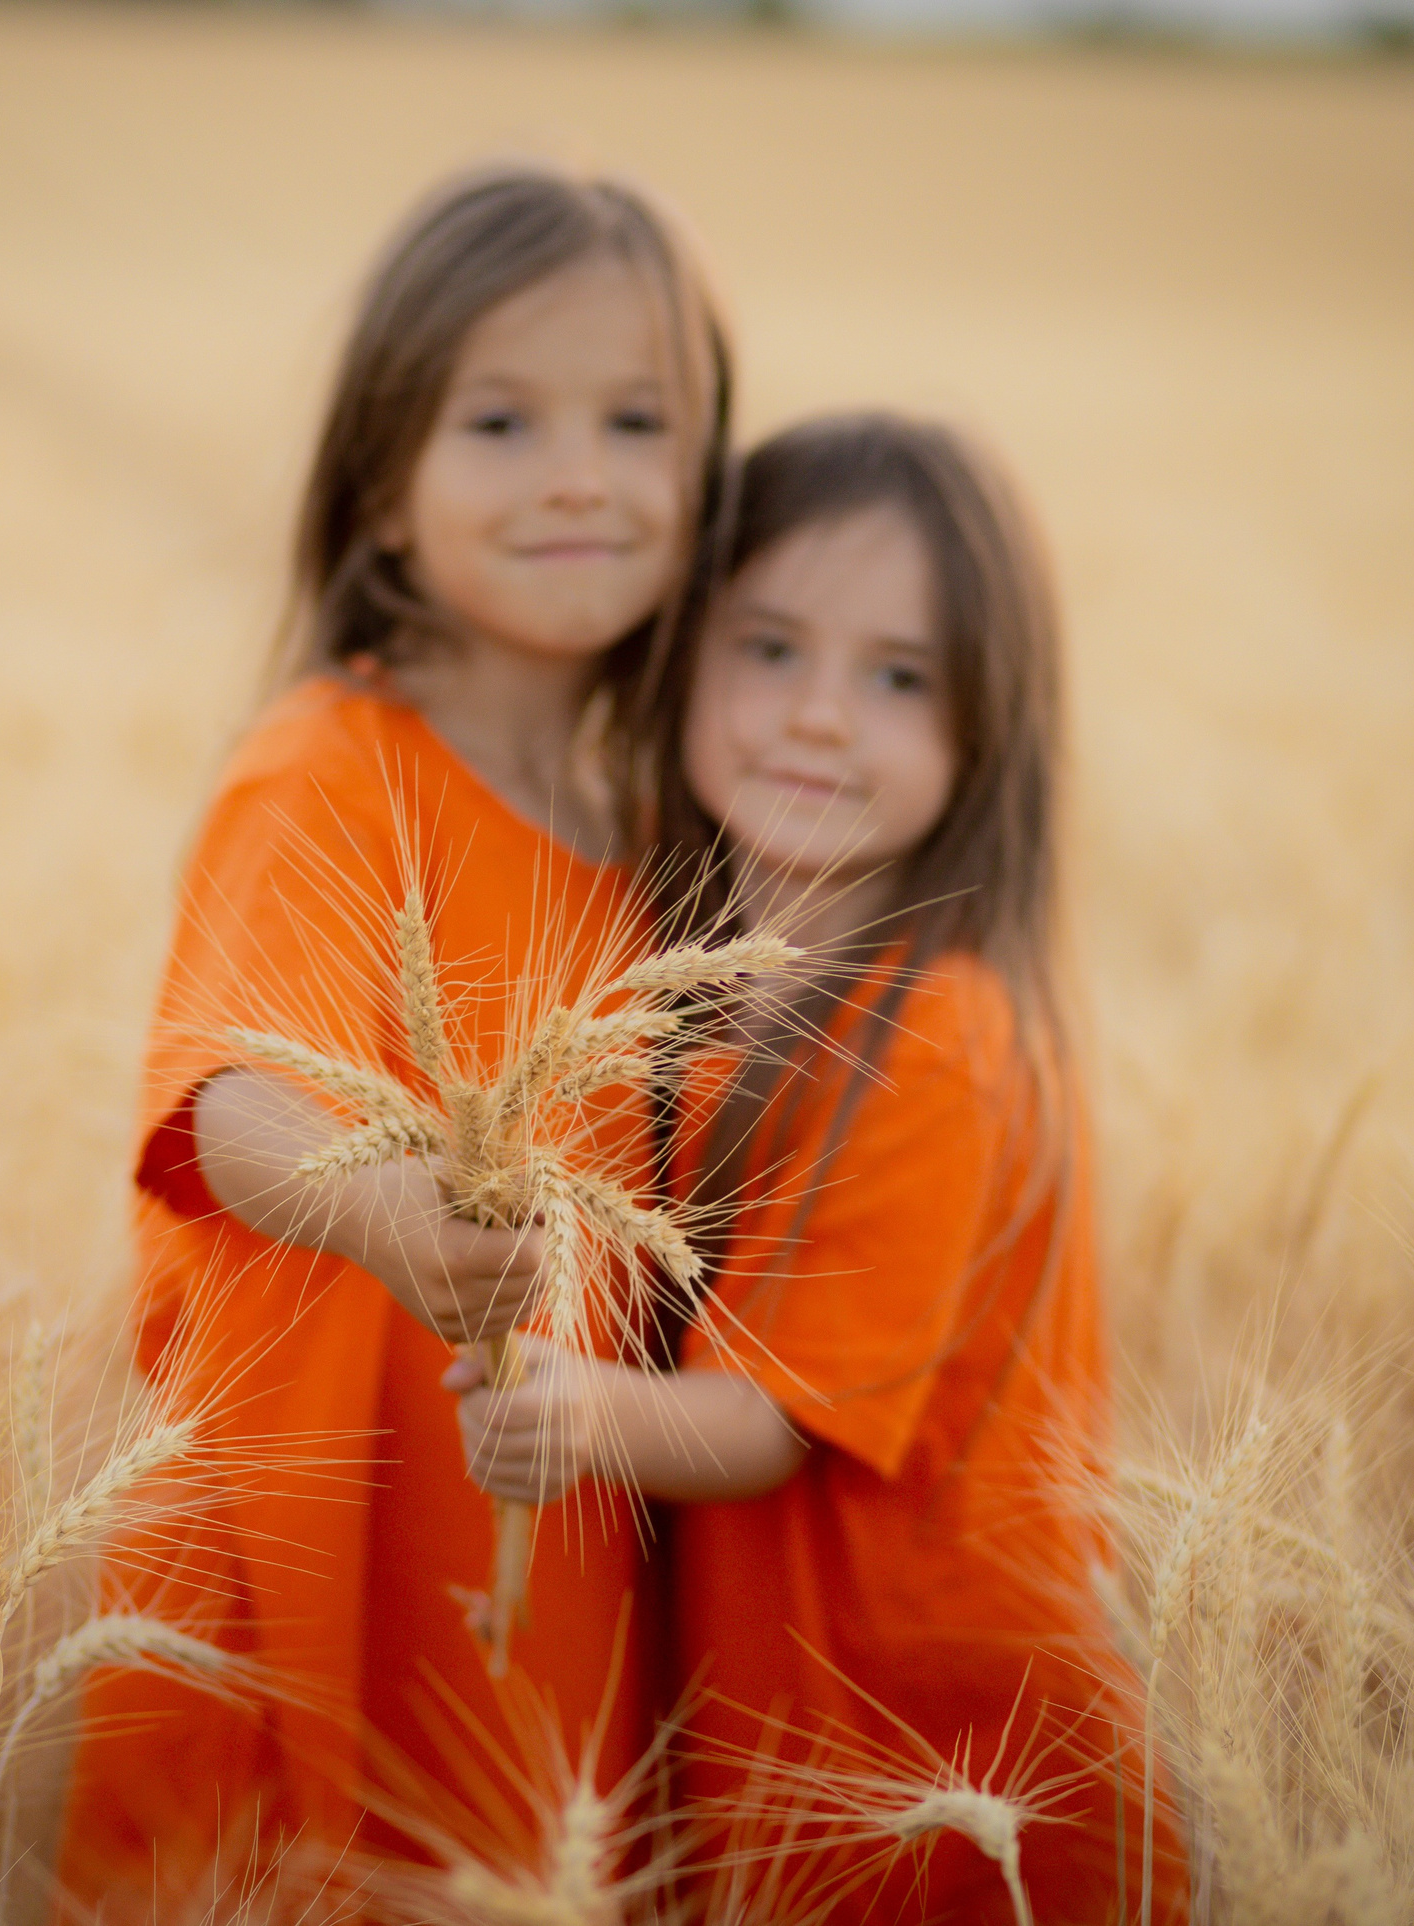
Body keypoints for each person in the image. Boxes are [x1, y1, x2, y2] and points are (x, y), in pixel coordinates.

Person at [54, 164, 733, 1915]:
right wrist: (386, 1218)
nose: (580, 473)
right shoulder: (332, 767)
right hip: (313, 1582)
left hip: (539, 1598)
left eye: (638, 420)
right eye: (501, 420)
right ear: (380, 488)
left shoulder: (658, 819)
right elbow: (224, 1100)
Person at [452, 414, 1189, 1922]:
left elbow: (774, 1418)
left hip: (941, 1757)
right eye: (770, 647)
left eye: (899, 677)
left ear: (988, 732)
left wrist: (579, 1409)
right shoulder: (696, 982)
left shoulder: (943, 1036)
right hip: (786, 1719)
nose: (820, 717)